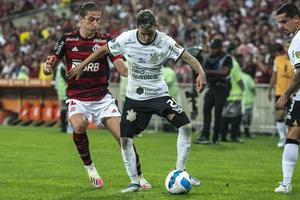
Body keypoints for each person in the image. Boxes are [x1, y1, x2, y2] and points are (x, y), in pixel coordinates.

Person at [68, 9, 206, 193]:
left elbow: (187, 57)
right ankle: (134, 182)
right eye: (144, 34)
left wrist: (201, 72)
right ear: (137, 28)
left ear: (156, 27)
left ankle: (181, 171)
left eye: (150, 34)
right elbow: (103, 50)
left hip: (159, 95)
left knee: (186, 126)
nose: (147, 38)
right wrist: (82, 66)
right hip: (135, 99)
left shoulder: (165, 41)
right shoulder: (126, 38)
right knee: (125, 139)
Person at [43, 2, 150, 190]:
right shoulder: (67, 40)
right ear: (81, 19)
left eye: (98, 20)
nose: (95, 24)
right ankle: (90, 168)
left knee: (124, 136)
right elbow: (51, 60)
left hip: (102, 99)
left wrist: (128, 69)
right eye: (91, 20)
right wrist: (47, 66)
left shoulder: (105, 40)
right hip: (78, 97)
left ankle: (139, 176)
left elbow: (120, 65)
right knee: (79, 124)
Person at [274, 3, 300, 193]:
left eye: (284, 22)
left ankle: (286, 183)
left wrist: (285, 94)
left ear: (296, 19)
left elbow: (299, 72)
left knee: (292, 134)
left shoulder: (297, 41)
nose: (281, 26)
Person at [193, 38, 232, 144]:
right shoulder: (210, 57)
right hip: (212, 87)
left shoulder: (227, 58)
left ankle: (215, 137)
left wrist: (206, 71)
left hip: (222, 88)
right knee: (206, 111)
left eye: (215, 48)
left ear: (220, 48)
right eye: (212, 48)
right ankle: (205, 136)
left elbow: (225, 72)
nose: (213, 50)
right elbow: (204, 70)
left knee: (218, 113)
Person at [268, 43, 293, 147]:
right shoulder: (278, 59)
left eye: (289, 46)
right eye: (286, 46)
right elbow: (274, 75)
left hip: (292, 93)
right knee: (280, 115)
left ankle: (290, 138)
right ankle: (282, 138)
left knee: (291, 117)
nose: (287, 48)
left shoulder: (296, 59)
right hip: (280, 92)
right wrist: (269, 90)